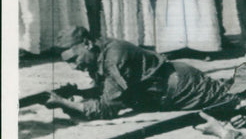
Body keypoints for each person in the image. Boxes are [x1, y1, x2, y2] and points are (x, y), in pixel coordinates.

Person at [45, 26, 232, 120]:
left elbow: (107, 108)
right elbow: (109, 89)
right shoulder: (100, 51)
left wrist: (63, 103)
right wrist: (79, 94)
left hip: (184, 89)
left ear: (87, 44)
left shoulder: (113, 58)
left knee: (236, 97)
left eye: (74, 59)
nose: (74, 67)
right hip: (174, 83)